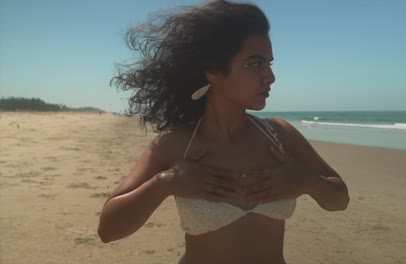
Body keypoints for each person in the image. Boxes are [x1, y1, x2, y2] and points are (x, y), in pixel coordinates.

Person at [97, 1, 349, 263]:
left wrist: (306, 181)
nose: (270, 76)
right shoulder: (176, 143)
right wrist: (166, 183)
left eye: (269, 64)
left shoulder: (280, 135)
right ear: (213, 71)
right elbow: (107, 230)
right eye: (255, 64)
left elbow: (340, 199)